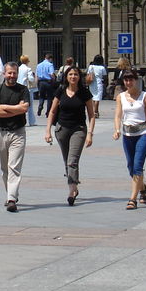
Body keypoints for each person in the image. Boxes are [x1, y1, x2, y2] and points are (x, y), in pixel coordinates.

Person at [44, 66, 95, 206]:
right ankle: (74, 185)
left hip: (78, 130)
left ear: (79, 77)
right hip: (62, 130)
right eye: (71, 74)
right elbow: (52, 112)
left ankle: (72, 190)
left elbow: (91, 115)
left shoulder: (84, 92)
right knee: (67, 160)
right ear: (66, 77)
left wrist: (90, 134)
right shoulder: (60, 90)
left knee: (72, 160)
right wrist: (48, 130)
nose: (73, 77)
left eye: (76, 74)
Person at [0, 61, 30, 212]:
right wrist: (16, 108)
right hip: (0, 132)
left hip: (18, 133)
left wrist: (4, 107)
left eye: (14, 73)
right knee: (5, 168)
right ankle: (10, 193)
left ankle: (11, 199)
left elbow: (24, 108)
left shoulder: (23, 90)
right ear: (4, 74)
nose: (12, 76)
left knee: (14, 167)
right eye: (9, 73)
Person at [113, 70, 146, 208]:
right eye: (126, 80)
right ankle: (143, 188)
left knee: (138, 166)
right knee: (131, 167)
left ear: (136, 80)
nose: (128, 82)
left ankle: (132, 199)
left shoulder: (145, 96)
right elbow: (118, 115)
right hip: (127, 135)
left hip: (143, 134)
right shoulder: (120, 96)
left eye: (130, 79)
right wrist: (117, 129)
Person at [18, 55, 38, 126]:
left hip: (18, 88)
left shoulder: (18, 68)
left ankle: (21, 120)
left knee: (20, 104)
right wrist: (34, 76)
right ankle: (31, 121)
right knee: (30, 105)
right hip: (26, 88)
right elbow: (31, 79)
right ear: (27, 61)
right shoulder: (28, 69)